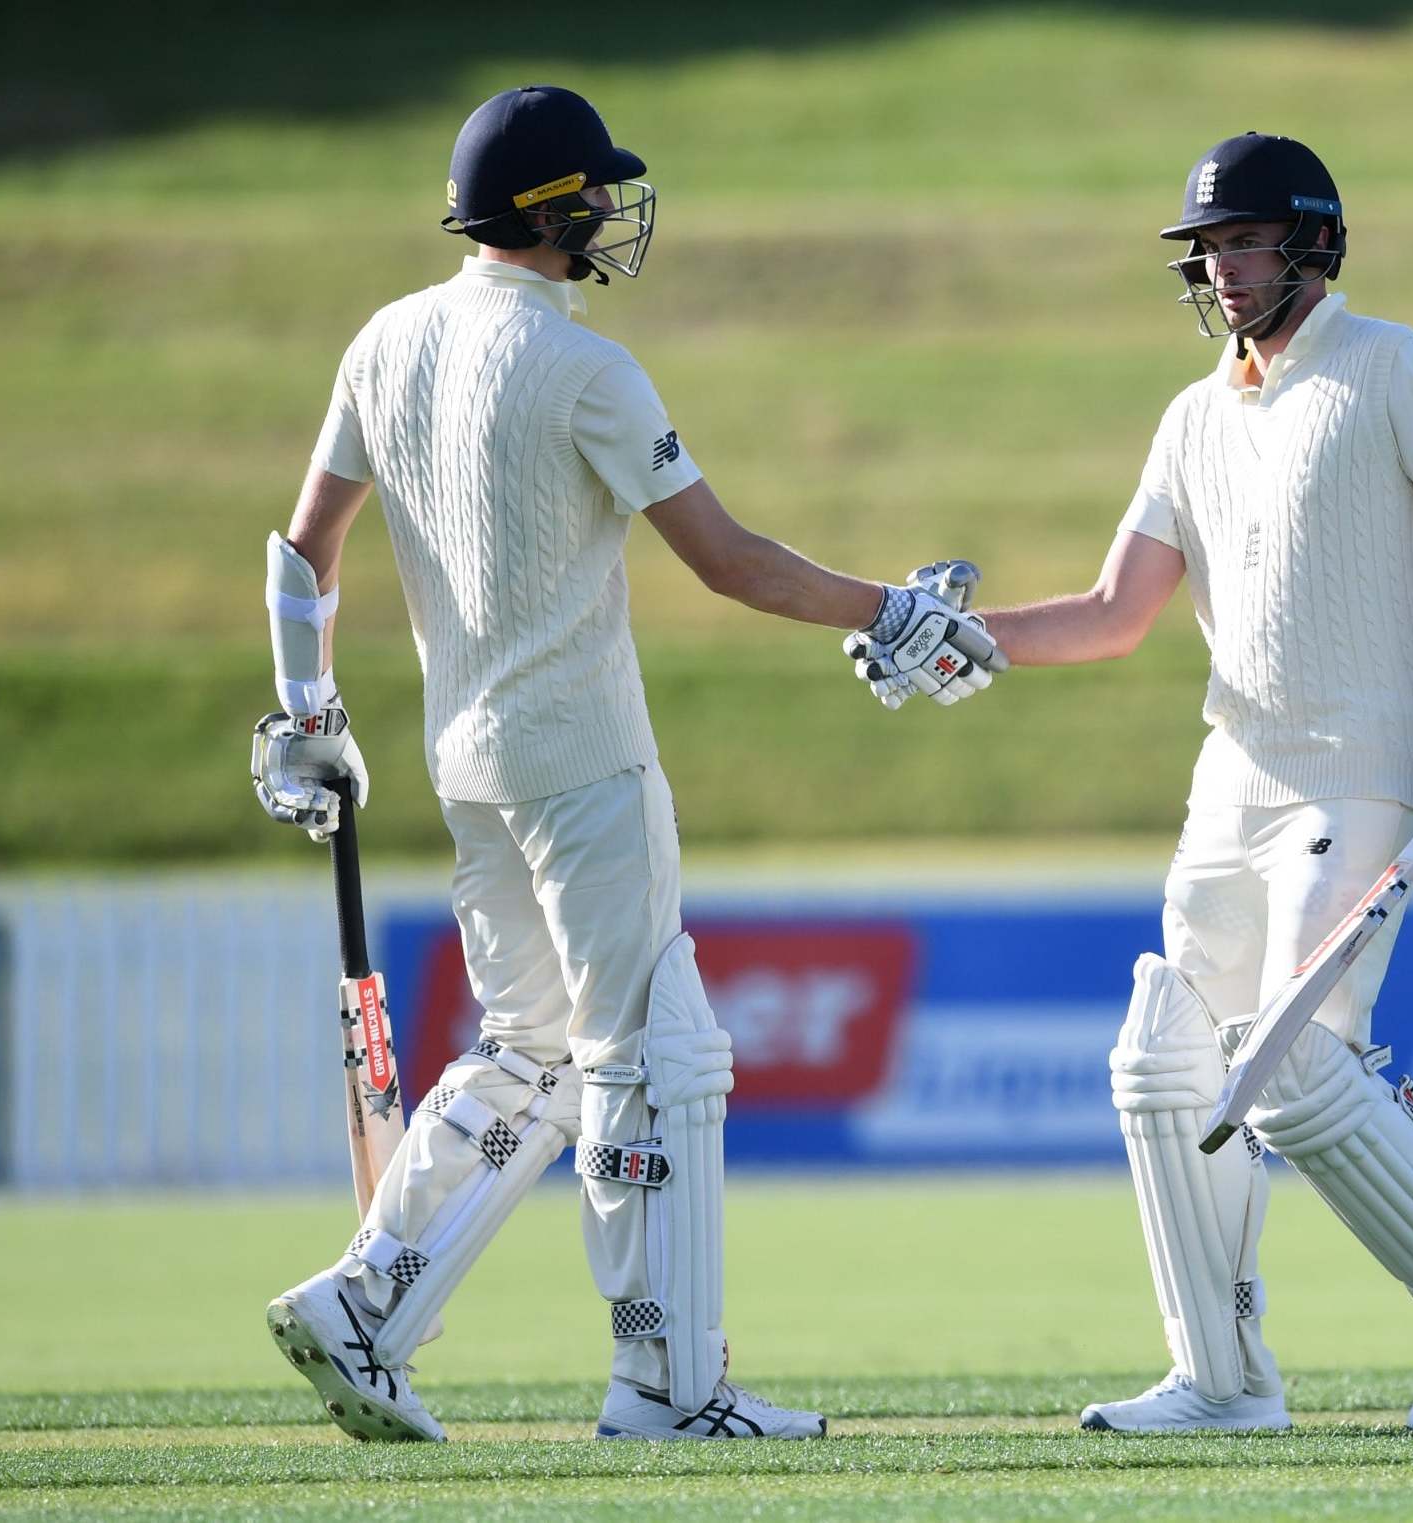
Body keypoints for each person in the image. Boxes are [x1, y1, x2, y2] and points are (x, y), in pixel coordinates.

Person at [248, 84, 1003, 1445]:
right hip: (585, 764)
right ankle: (667, 1386)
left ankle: (365, 1305)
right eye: (591, 191)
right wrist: (889, 608)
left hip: (465, 763)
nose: (608, 210)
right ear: (551, 210)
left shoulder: (386, 339)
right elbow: (730, 563)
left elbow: (302, 550)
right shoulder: (587, 370)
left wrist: (308, 715)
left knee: (530, 1050)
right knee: (648, 1057)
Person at [896, 131, 1413, 1431]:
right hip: (1230, 775)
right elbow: (1111, 611)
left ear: (1310, 244)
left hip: (1359, 766)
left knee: (1296, 1064)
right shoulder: (1193, 415)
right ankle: (1221, 1378)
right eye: (1207, 247)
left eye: (1243, 241)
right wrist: (967, 637)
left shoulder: (1386, 365)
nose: (1221, 268)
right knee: (1159, 1060)